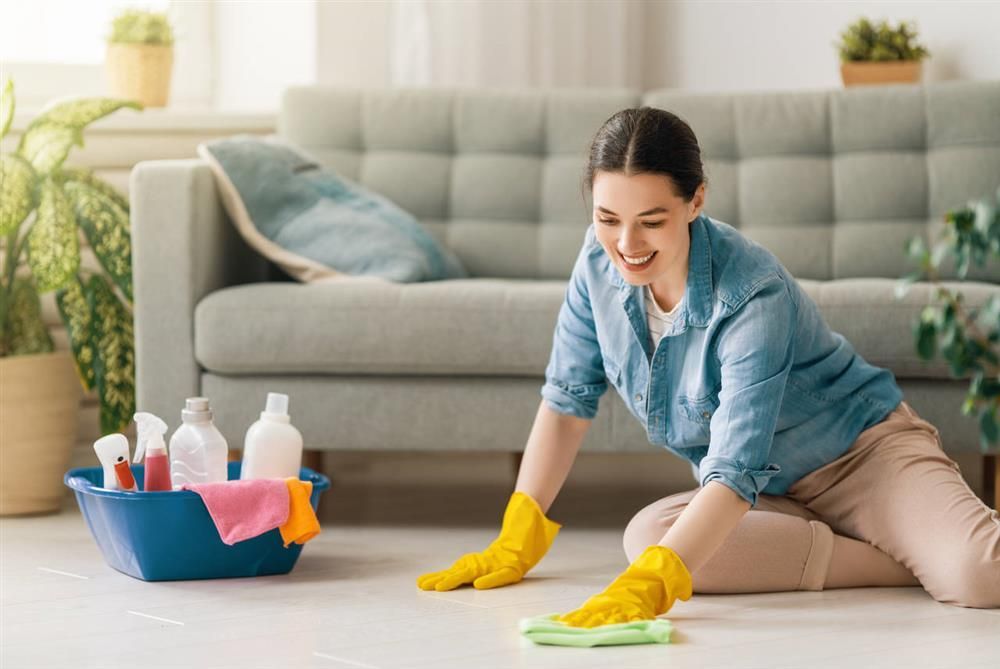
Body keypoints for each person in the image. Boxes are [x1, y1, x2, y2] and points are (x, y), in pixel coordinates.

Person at [416, 107, 1000, 626]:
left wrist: (651, 589)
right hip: (767, 492)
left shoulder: (752, 291)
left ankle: (931, 547)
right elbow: (568, 400)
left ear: (696, 200)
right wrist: (518, 532)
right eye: (607, 218)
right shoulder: (597, 264)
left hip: (862, 458)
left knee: (979, 576)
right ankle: (905, 556)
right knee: (648, 538)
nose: (626, 243)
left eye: (651, 219)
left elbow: (732, 466)